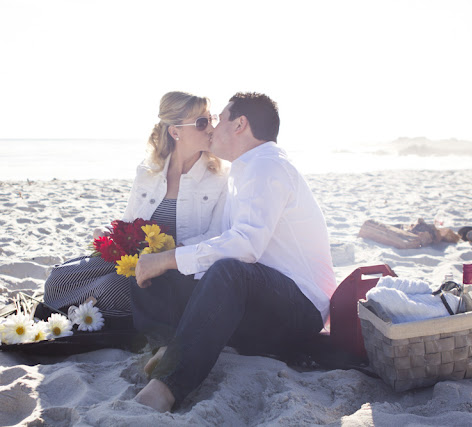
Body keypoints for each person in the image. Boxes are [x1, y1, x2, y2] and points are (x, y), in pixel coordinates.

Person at [130, 92, 337, 412]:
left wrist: (169, 258)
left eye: (219, 119)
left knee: (228, 270)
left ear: (240, 124)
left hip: (299, 310)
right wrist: (165, 257)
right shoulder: (243, 169)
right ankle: (168, 345)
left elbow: (245, 246)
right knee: (157, 270)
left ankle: (167, 385)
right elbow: (220, 236)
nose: (212, 127)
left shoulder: (269, 166)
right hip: (259, 305)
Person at [41, 91, 229, 324]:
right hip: (134, 260)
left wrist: (167, 256)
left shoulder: (220, 177)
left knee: (110, 289)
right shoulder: (149, 171)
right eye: (202, 123)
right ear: (175, 131)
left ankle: (86, 312)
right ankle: (86, 311)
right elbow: (129, 222)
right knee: (59, 279)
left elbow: (217, 235)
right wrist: (108, 233)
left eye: (211, 119)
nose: (211, 128)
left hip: (176, 271)